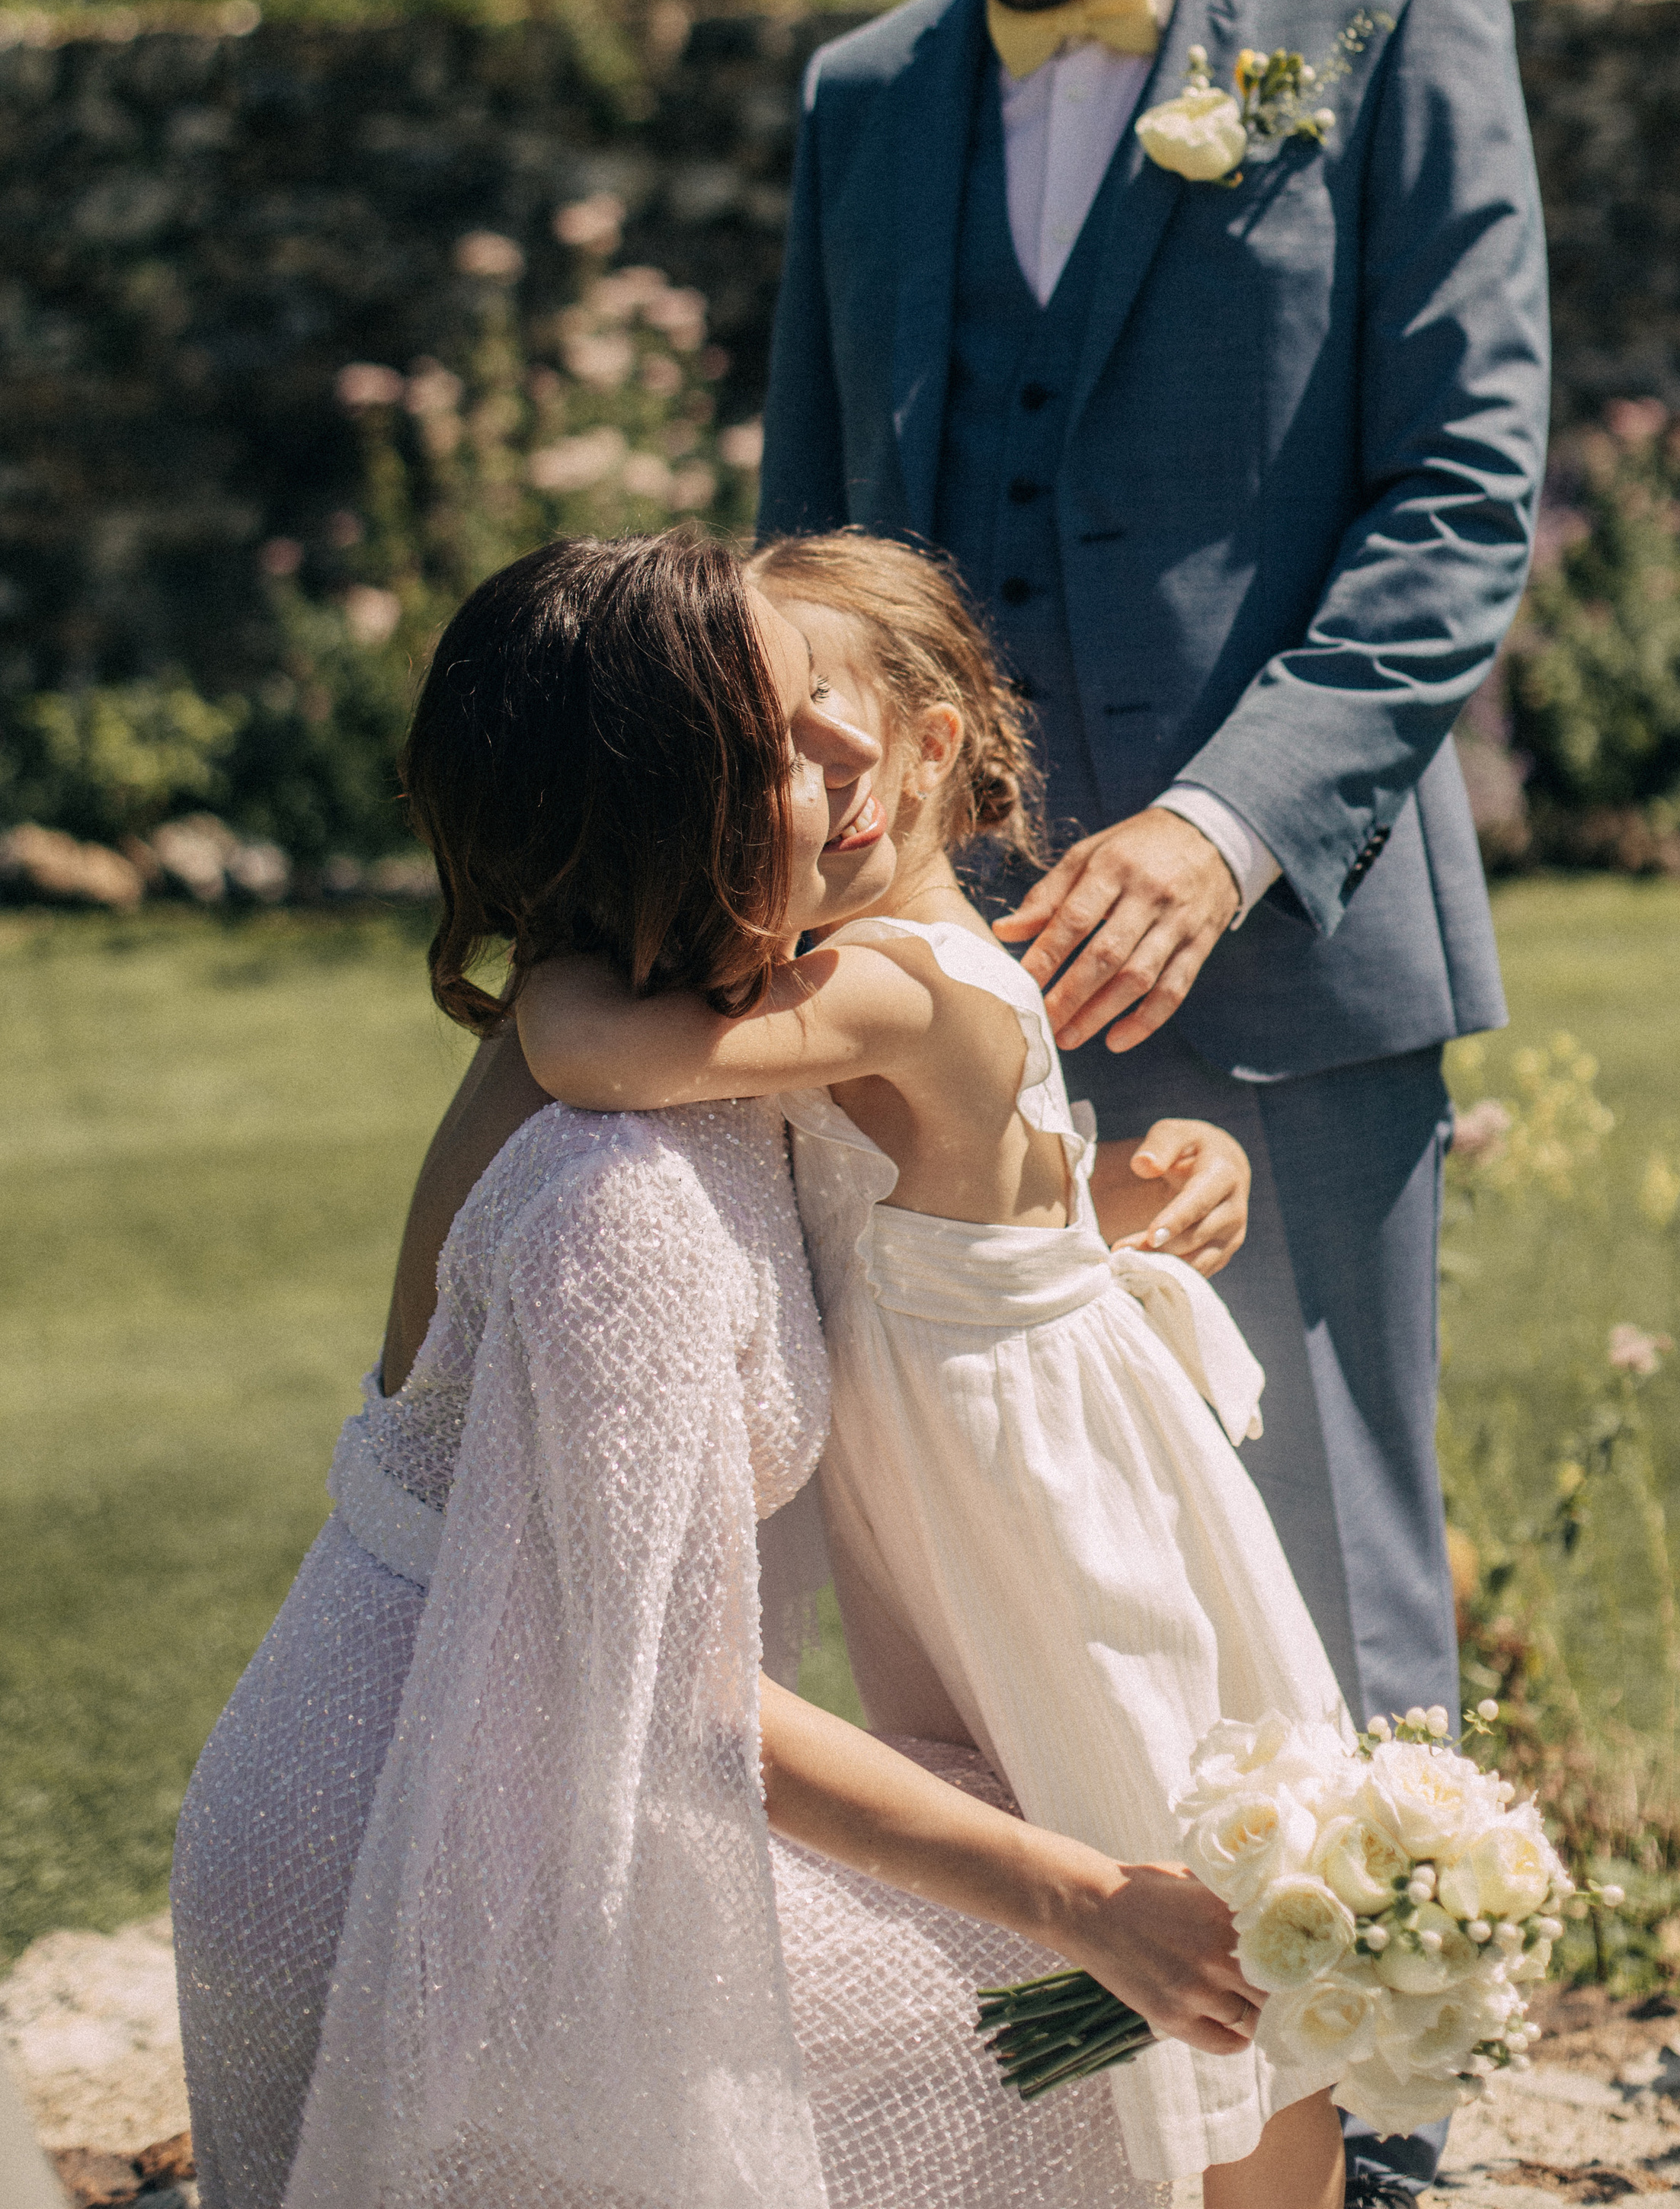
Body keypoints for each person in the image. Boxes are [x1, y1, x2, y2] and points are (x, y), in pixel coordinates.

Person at [756, 0, 1552, 2194]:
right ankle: (1097, 2152)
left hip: (1294, 952)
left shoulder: (1400, 10)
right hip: (941, 997)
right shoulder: (866, 103)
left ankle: (1384, 2145)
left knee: (1318, 1584)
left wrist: (1225, 827)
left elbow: (1460, 500)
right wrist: (842, 903)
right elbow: (810, 553)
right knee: (1012, 1621)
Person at [170, 532, 1262, 2209]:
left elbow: (950, 1207)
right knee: (1088, 2018)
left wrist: (1104, 1202)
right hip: (408, 1858)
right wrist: (1071, 1901)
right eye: (775, 733)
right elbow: (665, 1693)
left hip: (483, 1772)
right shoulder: (629, 1206)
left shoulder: (713, 1058)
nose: (845, 749)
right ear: (664, 806)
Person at [520, 527, 1348, 2204]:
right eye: (744, 758)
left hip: (1031, 1519)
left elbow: (597, 1053)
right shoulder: (924, 976)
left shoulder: (896, 986)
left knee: (1133, 1831)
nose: (785, 790)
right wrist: (1153, 1179)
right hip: (984, 1476)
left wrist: (544, 935)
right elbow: (1018, 1206)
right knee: (1100, 1865)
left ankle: (1260, 2178)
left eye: (817, 735)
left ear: (926, 747)